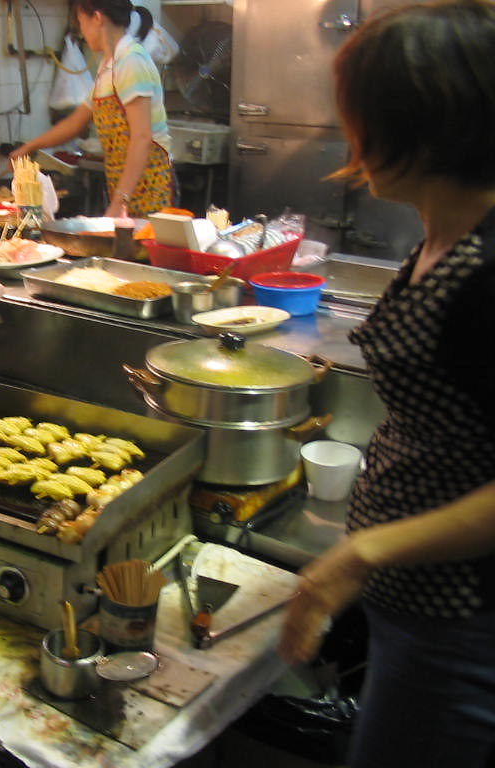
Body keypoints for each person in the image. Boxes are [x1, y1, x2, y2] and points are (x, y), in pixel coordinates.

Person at [279, 3, 495, 766]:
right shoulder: (445, 238)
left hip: (459, 620)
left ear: (424, 127)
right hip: (413, 604)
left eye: (362, 122)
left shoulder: (487, 274)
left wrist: (362, 554)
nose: (352, 144)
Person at [10, 0, 174, 218]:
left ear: (97, 18)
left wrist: (120, 201)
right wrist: (31, 147)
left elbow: (142, 137)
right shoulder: (108, 66)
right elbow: (75, 122)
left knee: (144, 240)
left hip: (150, 185)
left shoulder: (131, 62)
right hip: (126, 186)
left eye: (81, 22)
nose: (82, 31)